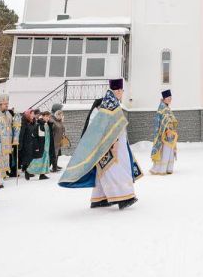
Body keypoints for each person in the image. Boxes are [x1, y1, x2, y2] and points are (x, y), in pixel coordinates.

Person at [59, 79, 142, 209]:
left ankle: (99, 198)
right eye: (120, 90)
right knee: (116, 169)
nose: (121, 93)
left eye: (122, 90)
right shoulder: (110, 104)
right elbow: (108, 126)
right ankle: (125, 197)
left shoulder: (110, 102)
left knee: (104, 171)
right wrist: (113, 143)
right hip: (112, 144)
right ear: (117, 90)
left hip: (113, 143)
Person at [150, 90, 178, 175]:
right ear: (164, 98)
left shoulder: (166, 107)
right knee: (165, 150)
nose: (170, 99)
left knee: (169, 150)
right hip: (165, 134)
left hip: (170, 133)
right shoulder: (162, 108)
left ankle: (167, 168)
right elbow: (162, 121)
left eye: (171, 98)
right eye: (168, 98)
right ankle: (161, 169)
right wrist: (167, 130)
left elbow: (170, 119)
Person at [0, 95, 15, 186]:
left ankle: (0, 179)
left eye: (7, 104)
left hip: (6, 142)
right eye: (5, 104)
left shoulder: (8, 114)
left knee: (4, 161)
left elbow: (11, 126)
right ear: (0, 104)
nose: (7, 105)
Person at [19, 109, 47, 180]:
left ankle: (28, 171)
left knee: (32, 157)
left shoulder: (34, 122)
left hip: (33, 142)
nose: (33, 115)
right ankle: (27, 171)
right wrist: (20, 143)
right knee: (27, 157)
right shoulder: (24, 123)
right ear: (28, 115)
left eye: (33, 114)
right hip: (26, 143)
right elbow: (21, 134)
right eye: (31, 114)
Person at [49, 105, 67, 172]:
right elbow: (53, 128)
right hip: (54, 140)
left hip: (58, 140)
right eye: (60, 112)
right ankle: (52, 167)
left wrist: (61, 121)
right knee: (54, 154)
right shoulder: (52, 119)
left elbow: (62, 128)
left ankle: (55, 165)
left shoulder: (58, 120)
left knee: (57, 154)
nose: (61, 114)